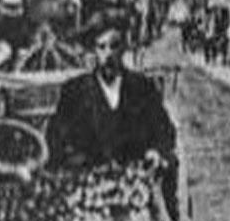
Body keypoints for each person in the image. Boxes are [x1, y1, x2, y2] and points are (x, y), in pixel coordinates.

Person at [44, 24, 177, 169]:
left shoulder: (142, 88)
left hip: (135, 175)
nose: (108, 55)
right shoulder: (75, 91)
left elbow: (165, 129)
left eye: (114, 46)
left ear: (123, 49)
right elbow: (56, 136)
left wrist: (156, 151)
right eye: (102, 47)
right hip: (89, 178)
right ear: (94, 51)